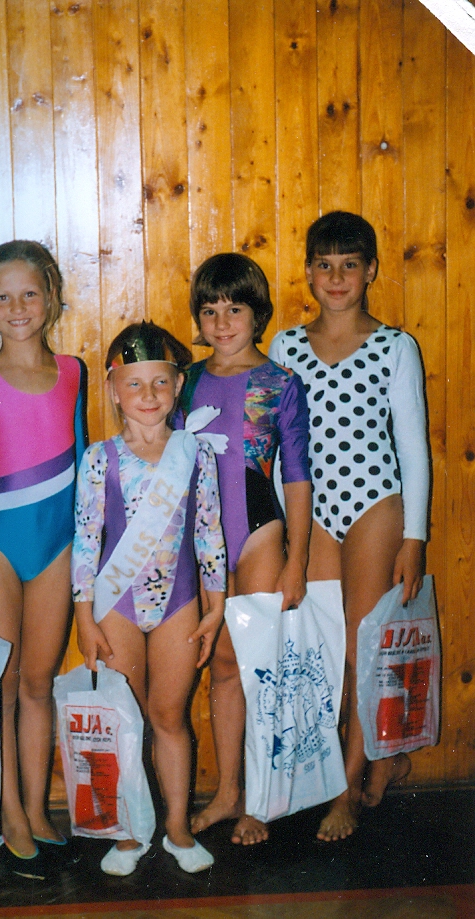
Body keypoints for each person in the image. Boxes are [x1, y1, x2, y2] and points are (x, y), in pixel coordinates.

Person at [268, 210, 429, 841]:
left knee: (365, 648)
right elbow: (278, 449)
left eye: (350, 266)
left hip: (374, 505)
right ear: (309, 272)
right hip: (312, 511)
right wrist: (288, 531)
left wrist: (414, 536)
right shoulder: (286, 347)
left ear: (371, 271)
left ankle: (348, 788)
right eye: (325, 266)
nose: (337, 278)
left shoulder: (395, 347)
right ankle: (377, 761)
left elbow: (412, 448)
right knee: (325, 651)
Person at [71, 321, 227, 876]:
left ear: (178, 385)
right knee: (125, 722)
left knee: (167, 715)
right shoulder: (99, 459)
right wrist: (83, 616)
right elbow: (85, 541)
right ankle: (130, 831)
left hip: (179, 603)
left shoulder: (196, 455)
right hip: (115, 608)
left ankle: (177, 825)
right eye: (134, 384)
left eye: (160, 382)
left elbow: (209, 534)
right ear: (113, 390)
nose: (148, 394)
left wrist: (216, 606)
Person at [0, 240, 87, 875]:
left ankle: (35, 807)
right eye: (2, 297)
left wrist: (89, 549)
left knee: (38, 681)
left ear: (51, 297)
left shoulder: (74, 372)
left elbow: (82, 463)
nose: (17, 307)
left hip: (59, 545)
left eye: (29, 293)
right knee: (5, 683)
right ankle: (8, 809)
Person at [180, 253, 312, 846]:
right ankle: (230, 791)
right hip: (203, 542)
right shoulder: (186, 381)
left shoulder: (279, 384)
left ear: (258, 314)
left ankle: (263, 797)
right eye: (210, 311)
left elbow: (297, 478)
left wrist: (297, 560)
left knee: (263, 668)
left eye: (234, 309)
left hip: (260, 535)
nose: (222, 322)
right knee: (225, 668)